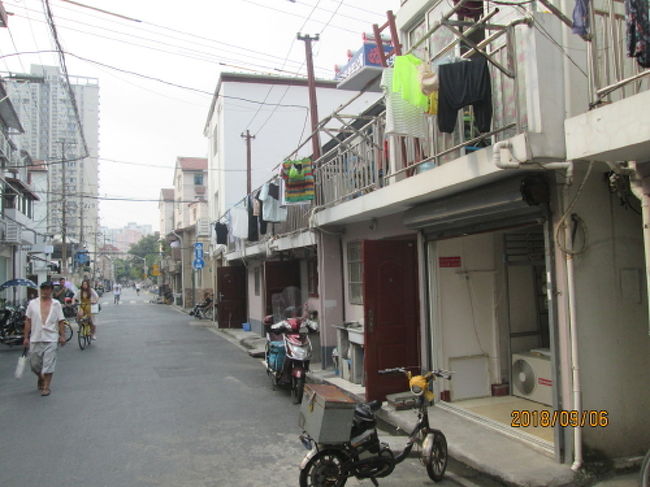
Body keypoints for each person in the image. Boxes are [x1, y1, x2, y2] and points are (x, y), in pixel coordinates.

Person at [23, 281, 66, 396]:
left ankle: (46, 387)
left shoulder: (56, 304)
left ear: (51, 290)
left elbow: (61, 321)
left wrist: (62, 336)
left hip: (51, 338)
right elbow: (28, 320)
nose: (45, 291)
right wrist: (26, 337)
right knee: (34, 365)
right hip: (35, 338)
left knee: (49, 364)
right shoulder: (33, 304)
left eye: (47, 289)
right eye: (43, 289)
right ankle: (41, 377)